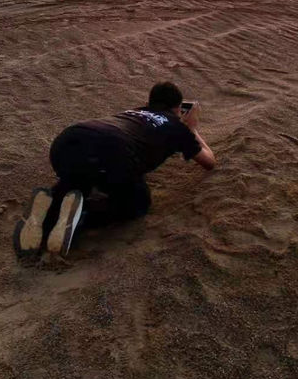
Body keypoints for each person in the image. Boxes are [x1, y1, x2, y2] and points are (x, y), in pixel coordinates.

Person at [13, 82, 215, 259]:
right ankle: (80, 217)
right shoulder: (177, 127)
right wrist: (192, 128)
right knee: (138, 204)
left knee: (83, 176)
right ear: (178, 108)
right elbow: (209, 161)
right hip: (114, 151)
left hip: (67, 141)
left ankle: (50, 208)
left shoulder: (134, 112)